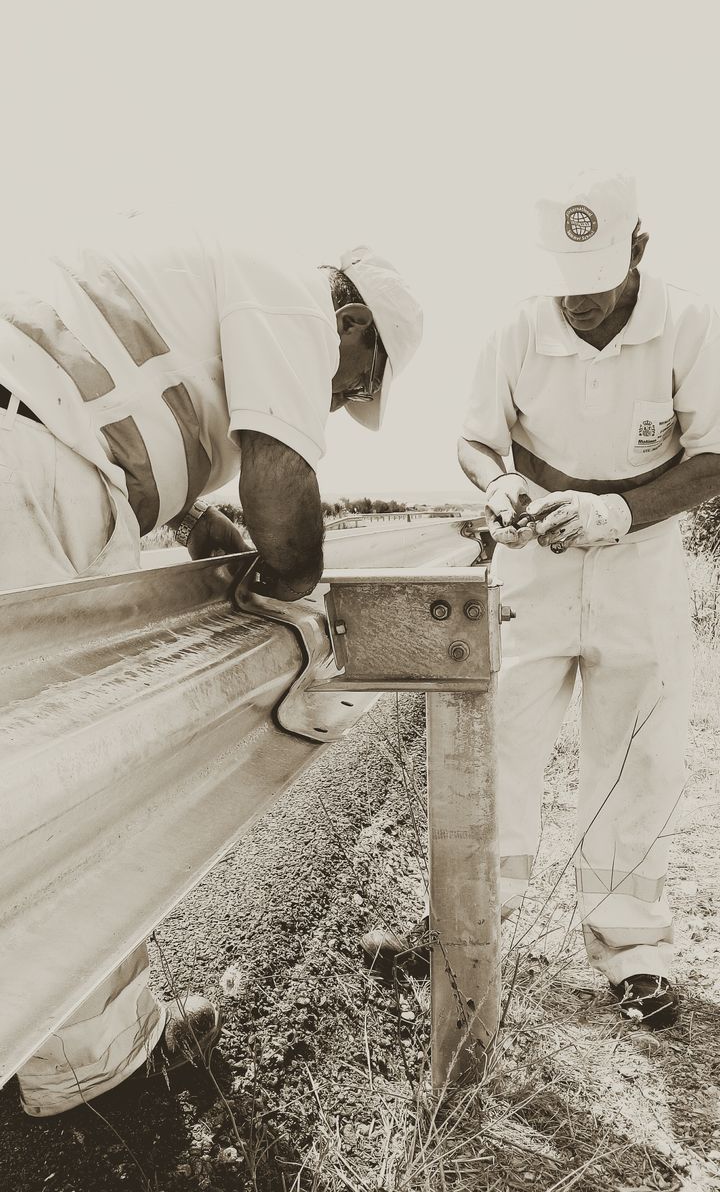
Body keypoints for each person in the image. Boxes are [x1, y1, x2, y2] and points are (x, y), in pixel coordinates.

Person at [0, 214, 423, 1116]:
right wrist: (291, 586)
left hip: (35, 451)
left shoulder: (211, 291)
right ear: (353, 323)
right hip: (30, 469)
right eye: (361, 382)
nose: (345, 397)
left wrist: (213, 535)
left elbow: (195, 499)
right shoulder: (293, 302)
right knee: (68, 779)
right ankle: (94, 1075)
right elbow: (280, 484)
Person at [457, 171, 720, 1028]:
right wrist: (499, 485)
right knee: (502, 744)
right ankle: (475, 933)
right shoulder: (516, 331)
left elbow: (715, 458)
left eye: (597, 285)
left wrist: (618, 511)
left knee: (638, 754)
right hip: (532, 565)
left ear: (638, 248)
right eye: (564, 286)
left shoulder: (689, 324)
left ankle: (630, 949)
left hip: (640, 564)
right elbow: (475, 439)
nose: (578, 305)